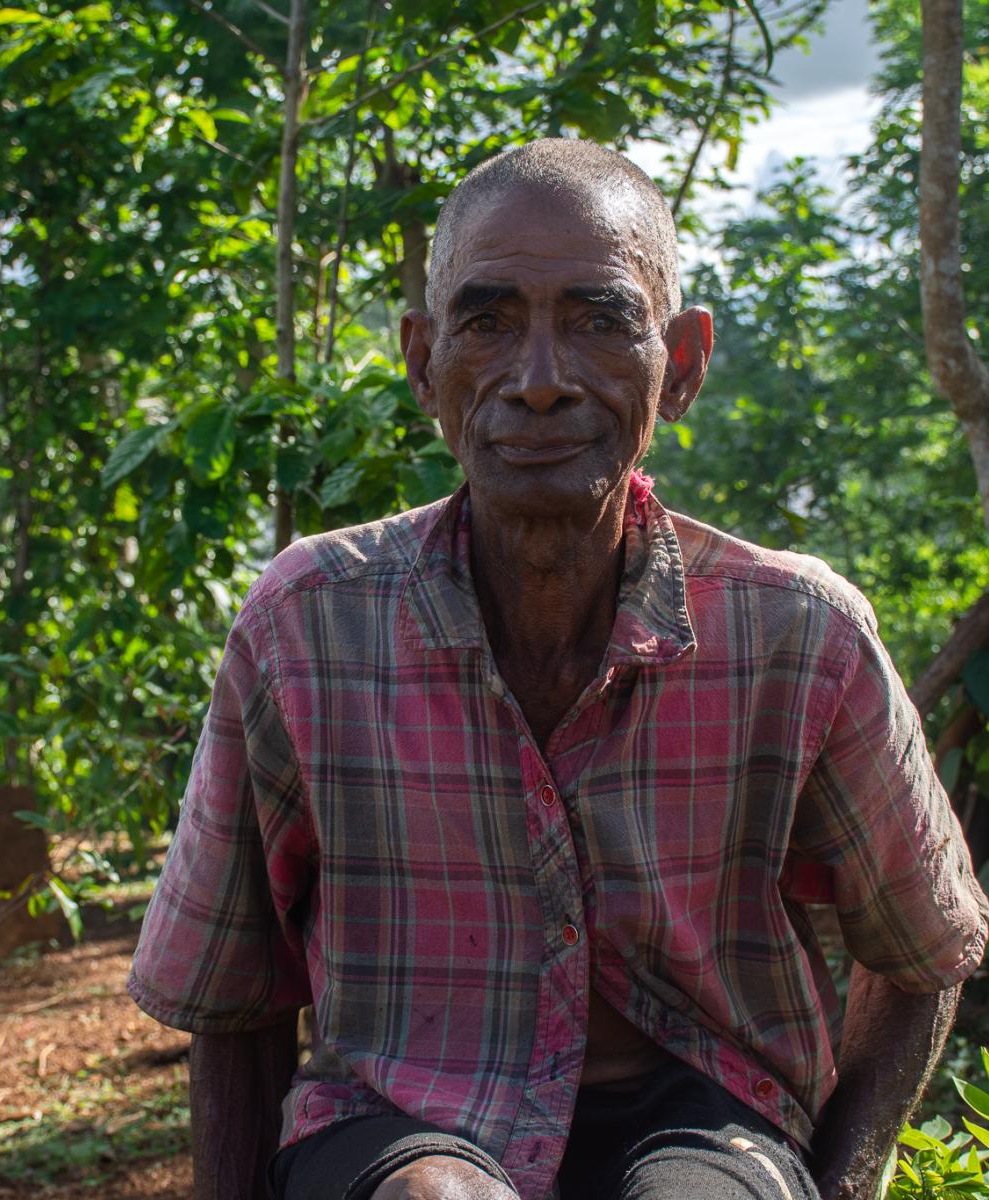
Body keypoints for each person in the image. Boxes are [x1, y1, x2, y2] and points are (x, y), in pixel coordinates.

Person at [127, 139, 989, 1200]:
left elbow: (922, 952)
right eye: (487, 322)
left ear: (682, 364)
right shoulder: (306, 625)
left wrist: (840, 1183)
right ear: (421, 361)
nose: (538, 381)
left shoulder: (797, 631)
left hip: (708, 1115)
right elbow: (234, 1003)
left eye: (599, 318)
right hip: (397, 1116)